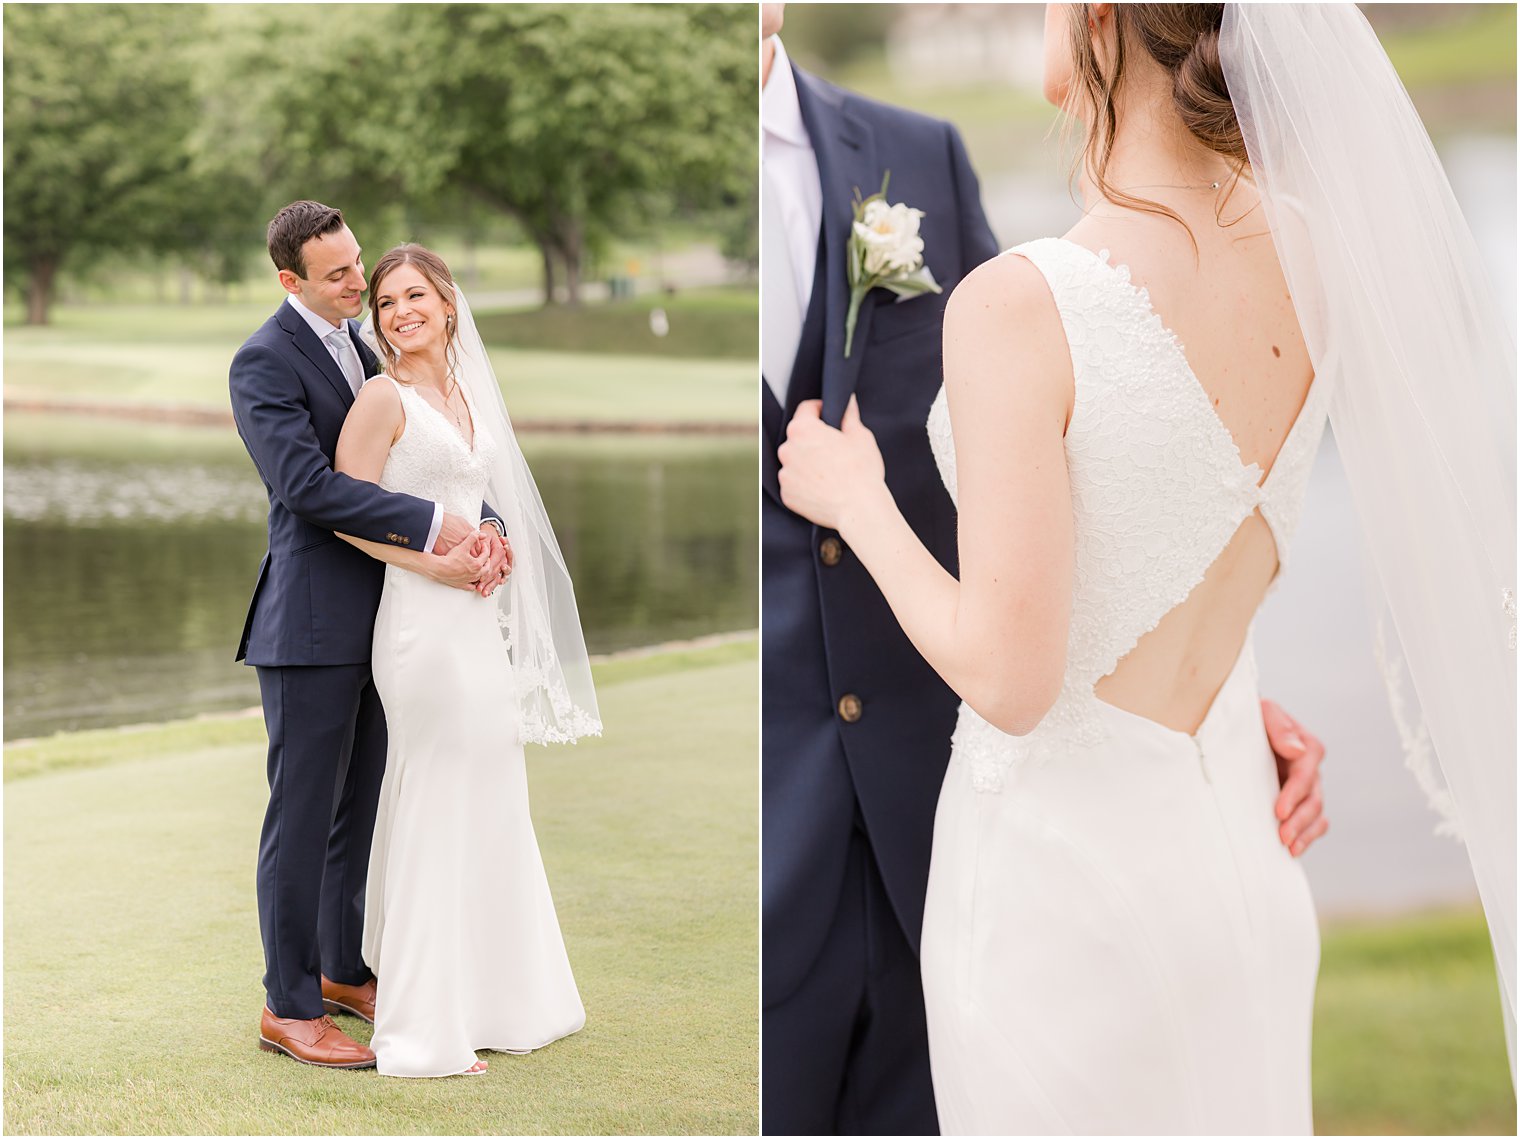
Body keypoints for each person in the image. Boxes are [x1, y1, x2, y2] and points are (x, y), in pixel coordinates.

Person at [778, 3, 1515, 1132]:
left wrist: (857, 500)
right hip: (1237, 867)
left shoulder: (1020, 302)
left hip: (1062, 910)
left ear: (1103, 19)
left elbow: (1011, 680)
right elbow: (1190, 536)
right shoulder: (1316, 251)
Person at [230, 201, 511, 1069]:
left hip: (393, 617)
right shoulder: (262, 361)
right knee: (303, 816)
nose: (362, 282)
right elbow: (309, 487)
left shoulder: (362, 347)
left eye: (358, 264)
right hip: (310, 624)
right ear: (290, 281)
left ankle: (344, 969)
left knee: (360, 811)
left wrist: (482, 523)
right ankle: (288, 1003)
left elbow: (430, 449)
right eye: (341, 274)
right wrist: (439, 526)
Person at [330, 243, 601, 1077]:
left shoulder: (468, 392)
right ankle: (420, 1027)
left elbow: (474, 496)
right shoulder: (383, 396)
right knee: (435, 799)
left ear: (448, 305)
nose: (400, 311)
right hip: (419, 626)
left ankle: (498, 999)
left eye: (415, 295)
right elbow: (347, 511)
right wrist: (434, 562)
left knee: (491, 788)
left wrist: (494, 544)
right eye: (384, 302)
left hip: (476, 621)